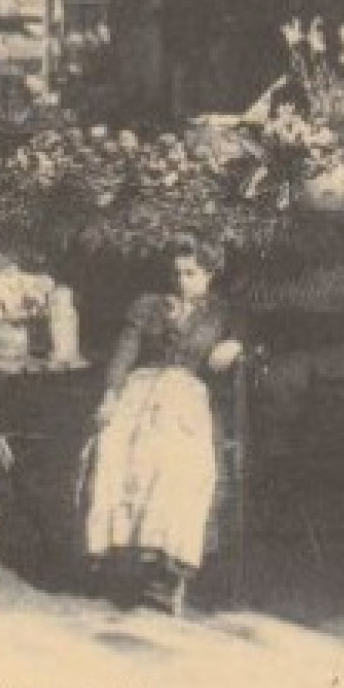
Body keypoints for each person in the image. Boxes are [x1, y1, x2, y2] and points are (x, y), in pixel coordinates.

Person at [82, 236, 243, 615]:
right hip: (140, 389)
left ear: (210, 275)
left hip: (185, 394)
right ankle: (113, 550)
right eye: (176, 272)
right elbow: (124, 354)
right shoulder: (149, 306)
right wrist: (110, 395)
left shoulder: (223, 313)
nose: (181, 280)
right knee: (115, 447)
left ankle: (168, 560)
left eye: (191, 273)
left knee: (176, 460)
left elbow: (249, 334)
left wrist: (237, 344)